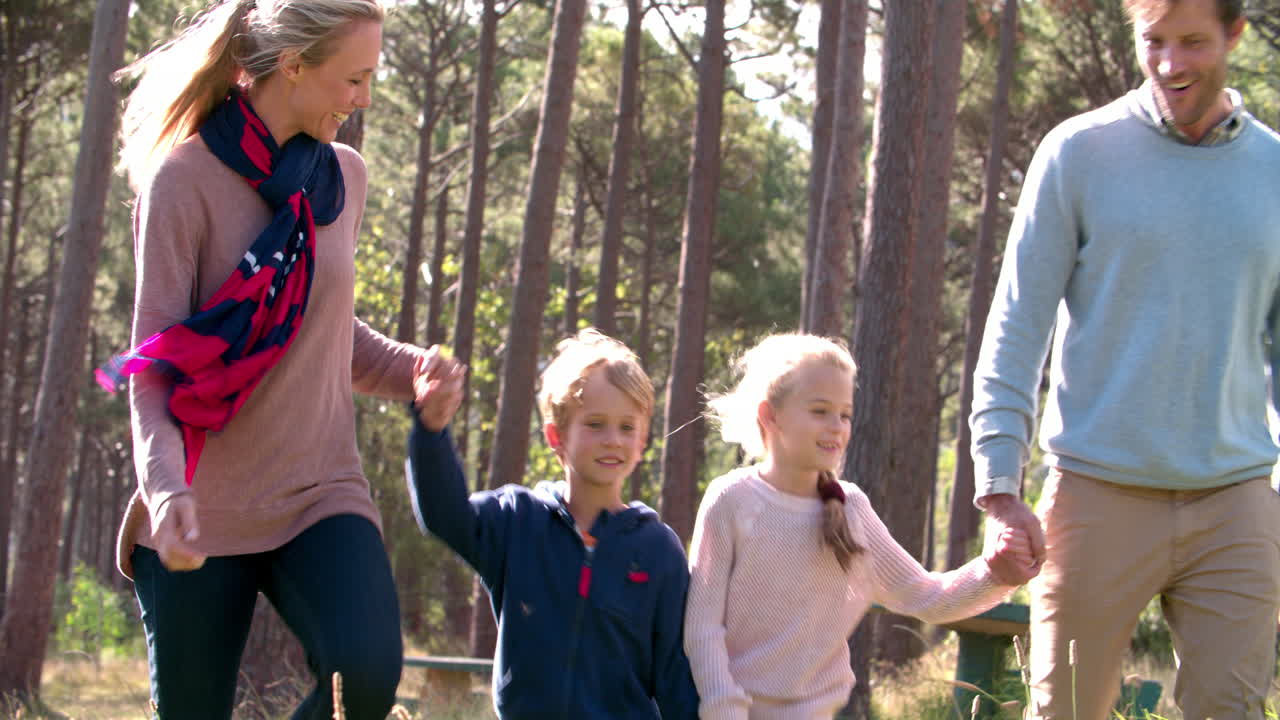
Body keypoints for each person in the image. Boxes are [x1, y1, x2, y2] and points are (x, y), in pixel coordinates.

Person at [103, 1, 424, 717]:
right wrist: (164, 489)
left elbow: (322, 328)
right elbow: (153, 364)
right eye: (355, 78)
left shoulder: (341, 178)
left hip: (320, 490)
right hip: (200, 506)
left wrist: (415, 370)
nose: (365, 98)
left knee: (365, 674)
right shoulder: (183, 181)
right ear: (294, 66)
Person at [969, 0, 1280, 715]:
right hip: (1095, 492)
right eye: (1155, 42)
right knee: (1068, 708)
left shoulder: (1273, 170)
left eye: (1194, 42)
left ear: (1234, 34)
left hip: (1236, 501)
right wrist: (999, 487)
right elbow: (1017, 326)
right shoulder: (1078, 153)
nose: (1172, 64)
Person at [683, 333, 1029, 719]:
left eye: (845, 414)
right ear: (770, 415)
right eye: (820, 411)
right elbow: (702, 628)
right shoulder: (730, 500)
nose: (837, 427)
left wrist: (996, 574)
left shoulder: (851, 510)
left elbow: (925, 596)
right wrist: (724, 710)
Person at [405, 329, 700, 719]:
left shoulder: (658, 550)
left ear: (643, 440)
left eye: (627, 427)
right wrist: (431, 431)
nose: (613, 439)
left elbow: (676, 677)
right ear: (556, 435)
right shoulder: (516, 521)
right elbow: (445, 516)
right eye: (595, 424)